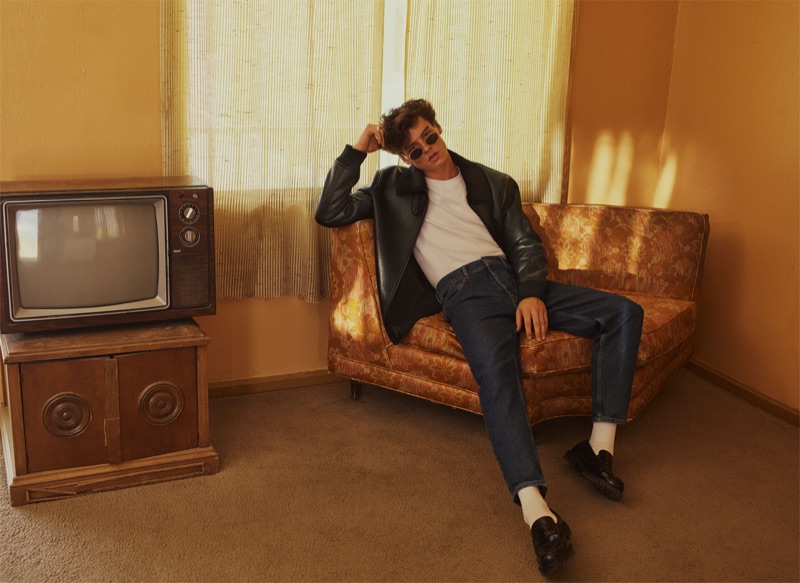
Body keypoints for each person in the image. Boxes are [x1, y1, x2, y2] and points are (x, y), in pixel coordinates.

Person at [315, 99, 644, 576]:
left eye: (429, 136)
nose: (427, 149)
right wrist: (357, 151)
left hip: (513, 278)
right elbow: (330, 211)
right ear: (404, 157)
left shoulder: (493, 182)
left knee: (623, 312)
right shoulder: (390, 188)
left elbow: (524, 243)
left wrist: (531, 293)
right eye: (413, 148)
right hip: (465, 292)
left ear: (439, 129)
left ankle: (598, 449)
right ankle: (538, 514)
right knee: (497, 378)